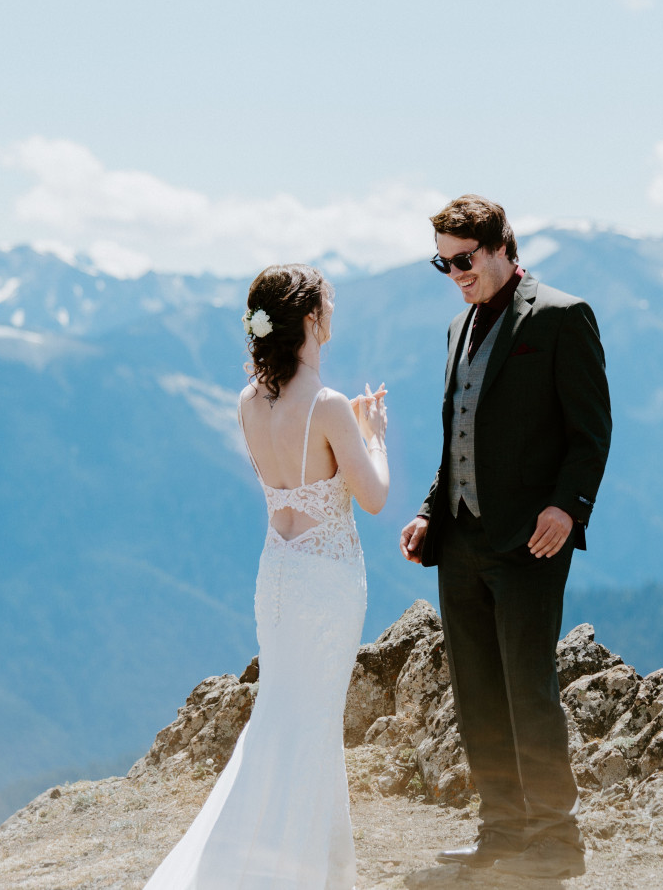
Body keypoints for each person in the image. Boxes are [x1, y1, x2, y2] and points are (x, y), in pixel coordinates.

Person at [144, 263, 388, 890]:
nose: (332, 312)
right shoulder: (330, 406)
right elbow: (376, 496)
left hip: (276, 574)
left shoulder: (248, 403)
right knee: (312, 723)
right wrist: (374, 435)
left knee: (281, 716)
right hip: (327, 582)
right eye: (327, 303)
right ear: (309, 318)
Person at [399, 195, 611, 879]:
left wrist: (568, 507)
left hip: (529, 540)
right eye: (443, 261)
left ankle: (554, 835)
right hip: (459, 542)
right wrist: (432, 511)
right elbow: (455, 436)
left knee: (527, 684)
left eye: (463, 259)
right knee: (477, 690)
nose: (454, 272)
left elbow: (590, 431)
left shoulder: (559, 317)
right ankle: (501, 827)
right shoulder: (458, 326)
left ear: (499, 247)